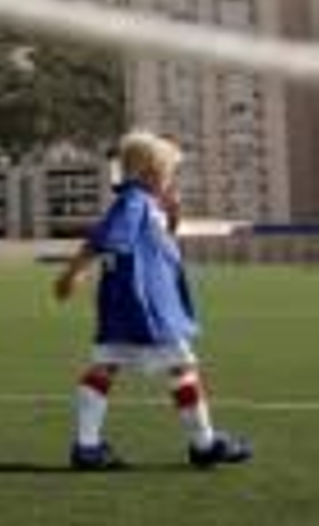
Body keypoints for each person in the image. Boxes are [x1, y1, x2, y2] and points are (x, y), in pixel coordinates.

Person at [54, 130, 252, 471]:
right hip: (147, 308)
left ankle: (87, 446)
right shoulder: (134, 202)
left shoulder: (144, 204)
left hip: (125, 305)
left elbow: (153, 243)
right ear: (151, 172)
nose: (172, 180)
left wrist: (172, 216)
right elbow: (104, 239)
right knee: (182, 368)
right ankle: (204, 444)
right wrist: (73, 273)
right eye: (169, 173)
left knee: (105, 366)